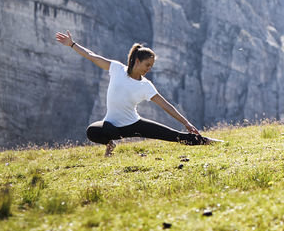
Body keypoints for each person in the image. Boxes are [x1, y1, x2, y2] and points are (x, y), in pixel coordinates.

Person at [55, 31, 211, 155]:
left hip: (134, 124)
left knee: (175, 136)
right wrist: (72, 44)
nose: (149, 69)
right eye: (147, 65)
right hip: (111, 126)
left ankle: (210, 142)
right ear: (137, 61)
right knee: (92, 132)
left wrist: (186, 123)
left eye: (151, 66)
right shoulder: (117, 69)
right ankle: (110, 144)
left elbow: (166, 106)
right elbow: (91, 56)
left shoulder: (146, 86)